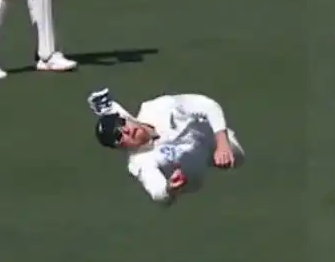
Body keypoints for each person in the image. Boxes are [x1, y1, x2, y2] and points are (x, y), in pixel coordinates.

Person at [88, 88, 245, 206]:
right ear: (120, 148)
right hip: (191, 174)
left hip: (211, 139)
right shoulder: (141, 161)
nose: (127, 130)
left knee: (240, 159)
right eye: (119, 136)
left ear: (126, 118)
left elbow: (208, 105)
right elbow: (157, 192)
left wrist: (222, 143)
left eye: (122, 123)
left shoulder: (160, 107)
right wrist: (170, 188)